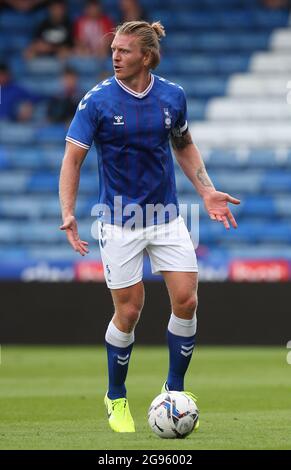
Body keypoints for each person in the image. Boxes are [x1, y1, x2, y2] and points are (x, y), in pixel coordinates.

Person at [59, 20, 240, 433]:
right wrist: (67, 211)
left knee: (187, 301)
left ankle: (174, 388)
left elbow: (184, 143)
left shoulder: (172, 96)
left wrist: (207, 190)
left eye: (123, 50)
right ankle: (116, 395)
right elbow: (72, 159)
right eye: (114, 50)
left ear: (146, 55)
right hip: (119, 221)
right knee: (130, 310)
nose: (115, 56)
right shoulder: (97, 101)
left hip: (167, 217)